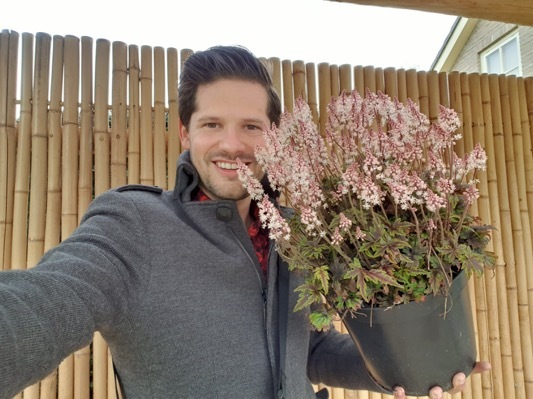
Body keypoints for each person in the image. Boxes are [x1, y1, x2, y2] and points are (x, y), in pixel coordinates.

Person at [0, 45, 490, 399]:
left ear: (273, 137)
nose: (232, 145)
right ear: (185, 132)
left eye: (251, 127)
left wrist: (397, 372)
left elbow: (309, 348)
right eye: (212, 124)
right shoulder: (131, 225)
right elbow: (44, 303)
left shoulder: (302, 233)